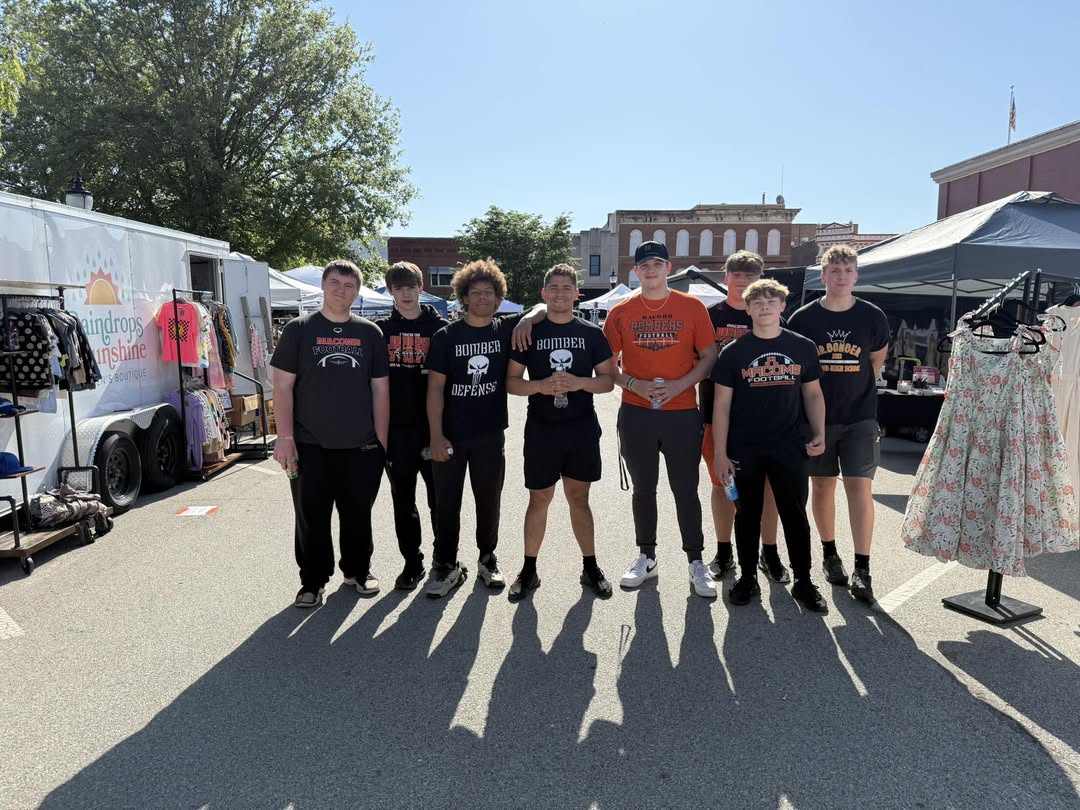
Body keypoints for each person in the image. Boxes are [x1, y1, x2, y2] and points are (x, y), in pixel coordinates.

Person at [603, 240, 719, 599]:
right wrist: (634, 384)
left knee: (685, 490)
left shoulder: (692, 307)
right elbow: (607, 367)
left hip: (682, 412)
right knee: (643, 490)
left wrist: (679, 384)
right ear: (635, 271)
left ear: (668, 268)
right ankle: (646, 556)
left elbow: (710, 355)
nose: (650, 270)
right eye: (644, 266)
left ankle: (695, 562)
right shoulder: (620, 311)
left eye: (657, 264)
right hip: (637, 413)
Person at [271, 260, 389, 608]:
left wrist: (381, 441)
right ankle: (312, 580)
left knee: (358, 514)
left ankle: (358, 571)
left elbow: (380, 389)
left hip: (362, 445)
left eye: (349, 285)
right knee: (312, 516)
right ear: (323, 286)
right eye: (335, 283)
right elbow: (282, 387)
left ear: (357, 291)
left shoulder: (370, 332)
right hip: (310, 445)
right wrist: (285, 437)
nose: (341, 290)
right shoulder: (298, 328)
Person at [424, 258, 544, 598]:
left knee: (488, 501)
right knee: (446, 503)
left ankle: (487, 559)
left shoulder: (505, 329)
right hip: (450, 434)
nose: (482, 299)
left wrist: (530, 318)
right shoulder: (446, 336)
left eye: (488, 293)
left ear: (498, 297)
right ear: (463, 297)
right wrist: (435, 435)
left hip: (490, 434)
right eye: (475, 293)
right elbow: (434, 389)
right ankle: (446, 565)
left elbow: (541, 305)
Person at [711, 279, 829, 612]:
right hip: (744, 446)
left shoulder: (803, 347)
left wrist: (819, 431)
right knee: (747, 514)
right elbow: (721, 406)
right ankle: (747, 577)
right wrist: (720, 453)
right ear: (747, 309)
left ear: (782, 306)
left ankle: (804, 581)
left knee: (794, 515)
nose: (764, 305)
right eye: (757, 301)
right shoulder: (733, 353)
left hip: (790, 445)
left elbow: (813, 394)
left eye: (771, 300)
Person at [506, 264, 616, 601]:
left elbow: (608, 381)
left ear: (576, 294)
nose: (559, 293)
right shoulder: (528, 332)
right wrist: (538, 385)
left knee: (579, 499)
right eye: (553, 287)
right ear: (544, 294)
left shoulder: (591, 334)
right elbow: (511, 383)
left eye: (566, 287)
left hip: (581, 429)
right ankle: (528, 569)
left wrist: (580, 382)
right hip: (542, 430)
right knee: (538, 499)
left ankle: (590, 566)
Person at [787, 245, 890, 603]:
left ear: (856, 276)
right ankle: (830, 553)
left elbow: (876, 359)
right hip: (818, 419)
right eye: (835, 271)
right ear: (824, 275)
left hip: (860, 417)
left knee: (859, 488)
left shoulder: (872, 316)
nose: (841, 277)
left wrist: (856, 386)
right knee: (823, 487)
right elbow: (796, 369)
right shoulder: (803, 319)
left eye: (847, 271)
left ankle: (863, 568)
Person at [700, 250, 788, 584]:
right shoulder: (709, 315)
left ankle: (769, 551)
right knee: (723, 485)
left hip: (764, 419)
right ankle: (724, 553)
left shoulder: (772, 314)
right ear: (727, 279)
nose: (743, 282)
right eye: (737, 276)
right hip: (715, 414)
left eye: (750, 276)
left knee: (767, 488)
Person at [375, 262, 448, 590]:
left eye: (411, 286)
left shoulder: (441, 330)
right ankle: (412, 562)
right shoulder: (379, 332)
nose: (405, 293)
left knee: (440, 499)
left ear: (421, 287)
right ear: (390, 291)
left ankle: (443, 558)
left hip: (434, 428)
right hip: (397, 431)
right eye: (398, 287)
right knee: (403, 501)